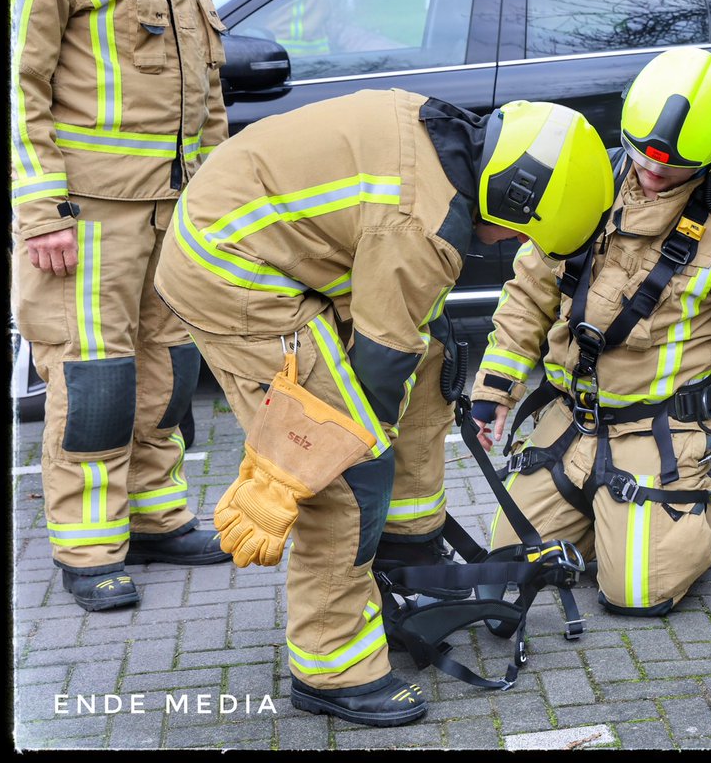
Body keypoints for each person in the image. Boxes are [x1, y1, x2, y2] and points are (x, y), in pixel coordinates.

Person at [152, 88, 613, 727]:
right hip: (235, 275)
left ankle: (405, 557)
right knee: (345, 465)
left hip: (275, 247)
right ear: (515, 199)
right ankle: (332, 667)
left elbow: (404, 330)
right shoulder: (419, 225)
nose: (502, 244)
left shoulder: (447, 143)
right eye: (517, 233)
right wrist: (334, 446)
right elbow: (380, 362)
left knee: (428, 372)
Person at [470, 47, 711, 618]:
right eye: (641, 155)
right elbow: (528, 293)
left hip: (660, 435)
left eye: (671, 165)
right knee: (506, 559)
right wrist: (492, 390)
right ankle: (605, 514)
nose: (650, 172)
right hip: (568, 423)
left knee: (634, 594)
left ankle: (707, 517)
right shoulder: (584, 184)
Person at [10, 0, 233, 614]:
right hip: (86, 213)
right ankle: (89, 548)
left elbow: (209, 101)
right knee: (95, 380)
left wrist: (213, 196)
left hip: (177, 208)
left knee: (171, 366)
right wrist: (42, 211)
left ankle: (156, 519)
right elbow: (17, 87)